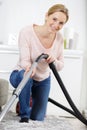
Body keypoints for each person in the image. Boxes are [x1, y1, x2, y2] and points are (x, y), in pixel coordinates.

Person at [9, 4, 69, 123]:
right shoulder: (27, 32)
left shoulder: (59, 38)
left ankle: (25, 99)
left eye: (61, 23)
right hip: (21, 75)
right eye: (54, 19)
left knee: (38, 117)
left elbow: (60, 65)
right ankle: (24, 115)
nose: (56, 25)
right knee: (26, 77)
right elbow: (24, 60)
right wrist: (29, 68)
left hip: (43, 80)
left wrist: (54, 60)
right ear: (47, 15)